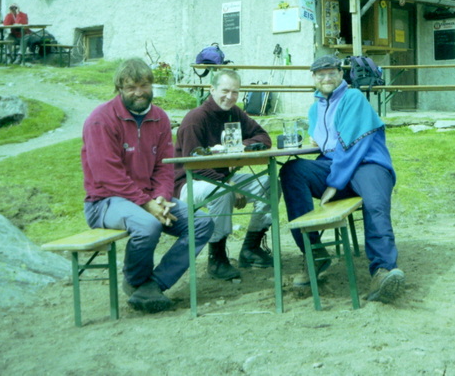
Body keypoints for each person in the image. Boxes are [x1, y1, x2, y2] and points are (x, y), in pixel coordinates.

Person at [81, 58, 213, 313]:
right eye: (131, 87)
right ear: (119, 88)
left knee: (202, 223)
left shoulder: (160, 118)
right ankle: (134, 280)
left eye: (144, 85)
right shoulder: (101, 119)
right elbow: (108, 174)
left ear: (152, 85)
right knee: (147, 225)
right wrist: (146, 204)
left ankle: (153, 285)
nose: (139, 92)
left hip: (149, 198)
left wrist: (161, 197)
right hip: (105, 201)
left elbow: (164, 167)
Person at [280, 54, 405, 303]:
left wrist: (333, 184)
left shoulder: (353, 97)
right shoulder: (314, 109)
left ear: (340, 74)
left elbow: (353, 146)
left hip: (367, 163)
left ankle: (382, 271)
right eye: (321, 74)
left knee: (375, 205)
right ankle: (314, 254)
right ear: (313, 78)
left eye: (331, 73)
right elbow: (325, 144)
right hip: (335, 165)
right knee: (291, 171)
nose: (326, 78)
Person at [173, 69, 273, 281]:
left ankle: (251, 247)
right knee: (222, 192)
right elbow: (194, 165)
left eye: (235, 92)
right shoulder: (195, 118)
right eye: (225, 91)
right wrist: (229, 185)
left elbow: (264, 137)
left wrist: (242, 145)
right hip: (189, 183)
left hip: (222, 179)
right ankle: (216, 257)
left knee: (269, 182)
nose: (230, 96)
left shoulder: (234, 113)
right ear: (212, 90)